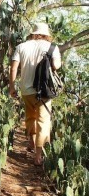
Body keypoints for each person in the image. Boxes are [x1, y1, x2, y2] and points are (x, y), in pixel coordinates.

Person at [9, 22, 62, 166]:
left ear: (33, 33)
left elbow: (14, 68)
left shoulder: (21, 46)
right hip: (44, 91)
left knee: (30, 117)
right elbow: (56, 66)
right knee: (43, 121)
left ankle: (31, 142)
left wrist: (12, 87)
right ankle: (38, 156)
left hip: (26, 90)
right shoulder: (52, 47)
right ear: (46, 34)